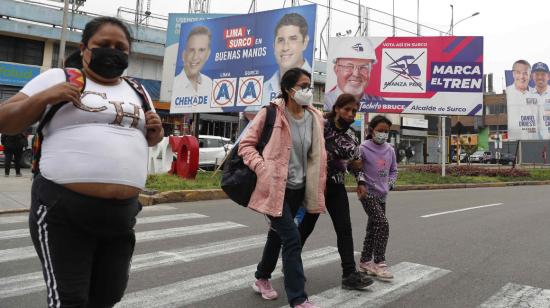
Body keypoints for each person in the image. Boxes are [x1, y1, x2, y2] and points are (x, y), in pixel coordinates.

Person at [0, 16, 164, 307]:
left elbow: (146, 140)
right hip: (63, 212)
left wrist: (154, 132)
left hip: (120, 216)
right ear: (85, 48)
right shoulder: (59, 78)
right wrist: (45, 97)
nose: (112, 51)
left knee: (108, 296)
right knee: (70, 300)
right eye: (103, 45)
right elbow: (5, 121)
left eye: (120, 48)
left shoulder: (138, 91)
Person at [239, 67, 326, 308]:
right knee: (291, 239)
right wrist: (262, 167)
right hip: (274, 187)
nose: (308, 90)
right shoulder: (272, 113)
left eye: (310, 85)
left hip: (299, 188)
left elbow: (317, 154)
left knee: (277, 236)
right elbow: (246, 145)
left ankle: (261, 278)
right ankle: (298, 298)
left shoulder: (315, 117)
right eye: (304, 86)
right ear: (289, 89)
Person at [299, 93, 374, 290]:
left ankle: (349, 274)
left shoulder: (351, 135)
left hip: (336, 186)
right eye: (347, 109)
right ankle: (292, 264)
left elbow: (354, 163)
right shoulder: (321, 125)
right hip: (315, 184)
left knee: (344, 229)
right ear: (337, 109)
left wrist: (361, 182)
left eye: (354, 111)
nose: (350, 114)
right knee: (306, 227)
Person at [356, 115, 398, 281]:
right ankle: (379, 262)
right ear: (371, 130)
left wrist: (390, 184)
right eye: (380, 130)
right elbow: (357, 168)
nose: (383, 134)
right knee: (382, 224)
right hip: (368, 194)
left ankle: (365, 261)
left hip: (382, 194)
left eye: (386, 131)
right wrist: (361, 183)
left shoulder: (390, 150)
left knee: (373, 229)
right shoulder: (363, 148)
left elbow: (394, 170)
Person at [262, 13, 312, 105]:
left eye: (293, 39)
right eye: (281, 40)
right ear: (273, 45)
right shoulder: (262, 90)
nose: (285, 47)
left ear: (305, 42)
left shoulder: (311, 81)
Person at [324, 38, 383, 111]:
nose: (356, 74)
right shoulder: (327, 103)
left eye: (363, 67)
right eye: (349, 66)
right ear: (336, 69)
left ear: (370, 70)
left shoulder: (381, 103)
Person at [171, 26, 213, 105]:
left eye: (201, 50)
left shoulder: (209, 84)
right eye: (191, 50)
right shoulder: (175, 85)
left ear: (208, 55)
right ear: (184, 55)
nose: (195, 57)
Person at [506, 60, 538, 140]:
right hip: (514, 141)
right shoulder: (508, 93)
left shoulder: (537, 94)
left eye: (525, 73)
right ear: (513, 74)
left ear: (530, 76)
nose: (522, 77)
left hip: (535, 140)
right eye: (518, 73)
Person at [529, 62, 550, 139]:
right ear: (532, 76)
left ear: (548, 76)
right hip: (531, 140)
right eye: (537, 74)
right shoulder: (526, 95)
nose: (540, 77)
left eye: (543, 74)